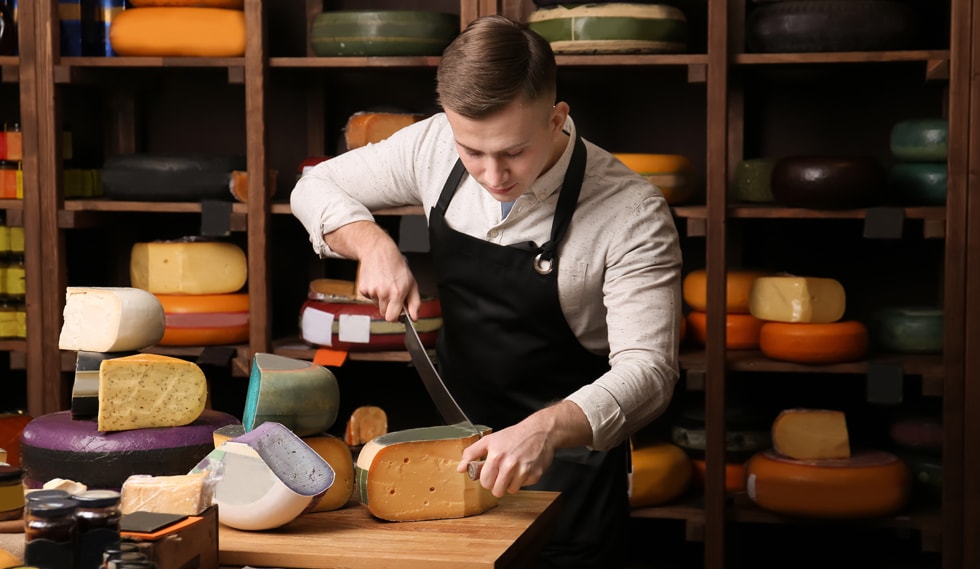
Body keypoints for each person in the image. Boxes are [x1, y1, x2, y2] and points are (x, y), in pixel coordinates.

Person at [291, 14, 682, 569]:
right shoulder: (433, 145)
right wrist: (371, 244)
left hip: (567, 468)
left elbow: (649, 370)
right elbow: (316, 183)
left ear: (556, 117)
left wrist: (543, 429)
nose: (491, 173)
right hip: (446, 456)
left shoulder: (632, 213)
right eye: (471, 151)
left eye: (513, 152)